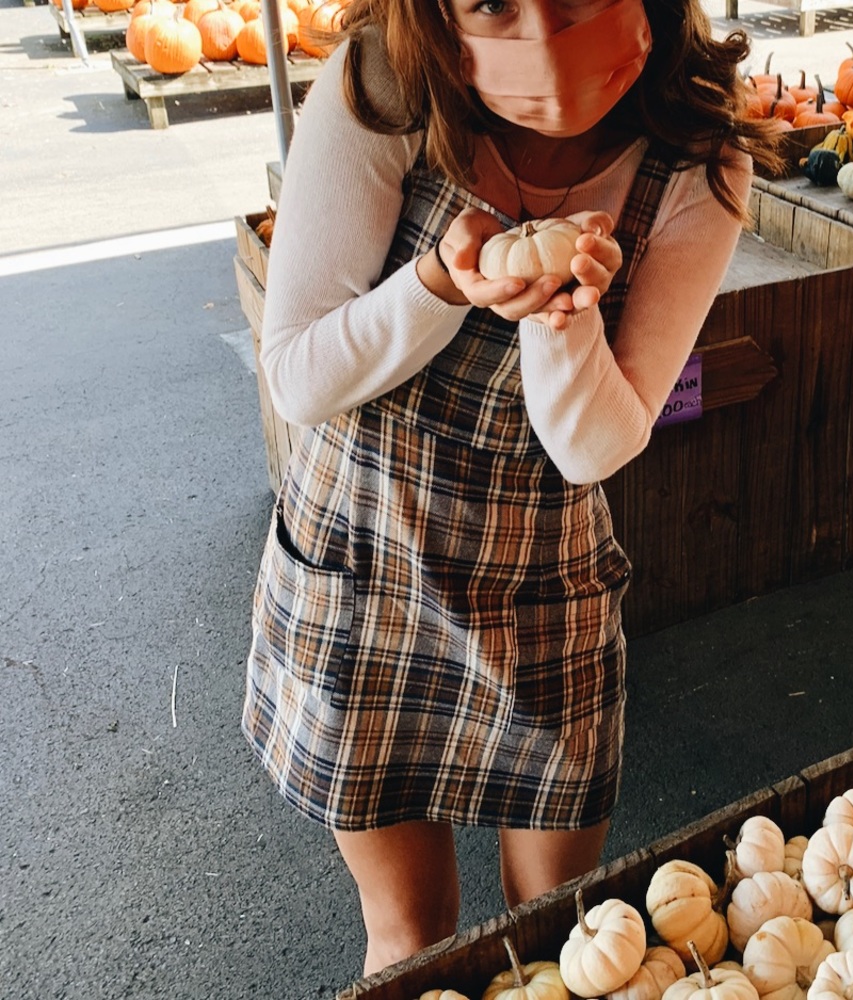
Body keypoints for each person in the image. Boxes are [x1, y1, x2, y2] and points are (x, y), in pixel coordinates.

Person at [241, 0, 781, 978]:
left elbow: (596, 445)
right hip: (366, 561)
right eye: (492, 2)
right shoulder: (387, 87)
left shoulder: (694, 161)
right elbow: (299, 376)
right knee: (412, 938)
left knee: (560, 932)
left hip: (539, 582)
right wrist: (439, 285)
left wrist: (561, 313)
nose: (539, 29)